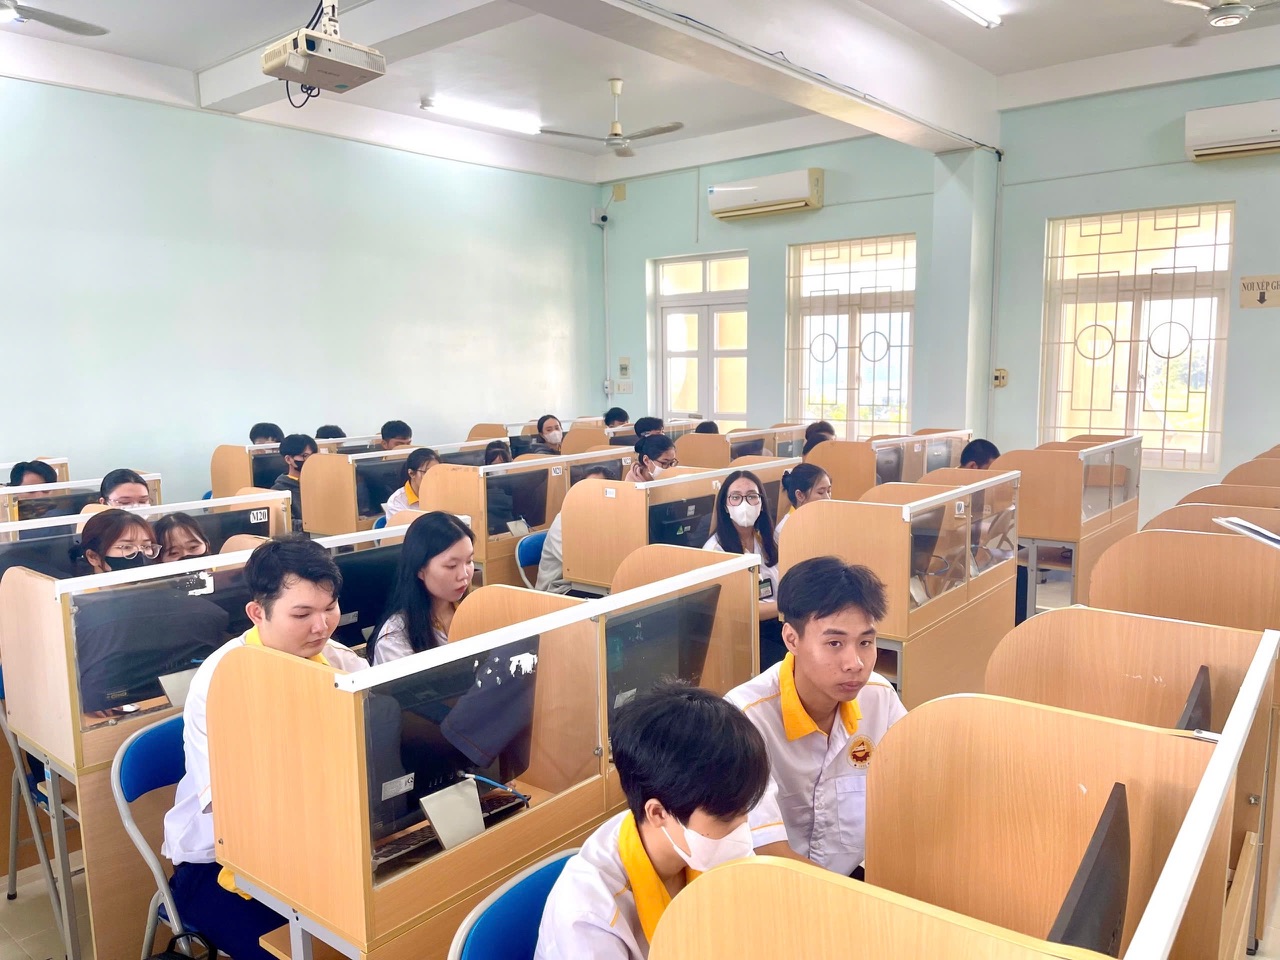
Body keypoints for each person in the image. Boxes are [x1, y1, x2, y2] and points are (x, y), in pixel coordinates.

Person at [162, 536, 367, 960]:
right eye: (302, 614)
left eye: (330, 608)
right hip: (225, 859)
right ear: (258, 613)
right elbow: (235, 806)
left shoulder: (337, 657)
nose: (321, 626)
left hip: (320, 841)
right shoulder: (223, 681)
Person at [534, 681, 769, 960]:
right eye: (724, 817)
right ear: (657, 813)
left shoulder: (692, 841)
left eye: (744, 809)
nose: (741, 828)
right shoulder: (588, 915)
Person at [726, 557, 905, 880]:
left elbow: (914, 792)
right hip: (776, 886)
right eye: (834, 643)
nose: (855, 663)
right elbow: (769, 851)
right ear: (791, 639)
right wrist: (864, 900)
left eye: (865, 642)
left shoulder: (879, 697)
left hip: (855, 877)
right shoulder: (746, 718)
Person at [369, 512, 475, 664]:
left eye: (469, 561)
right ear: (420, 568)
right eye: (451, 566)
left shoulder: (475, 611)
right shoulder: (394, 639)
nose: (464, 574)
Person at [535, 465, 610, 594]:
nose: (590, 495)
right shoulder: (564, 520)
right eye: (586, 489)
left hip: (588, 583)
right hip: (559, 589)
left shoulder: (607, 518)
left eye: (597, 490)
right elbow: (578, 564)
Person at [74, 509, 162, 574]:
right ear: (93, 557)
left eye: (146, 546)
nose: (140, 553)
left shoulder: (163, 589)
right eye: (126, 547)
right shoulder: (76, 593)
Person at [271, 434, 316, 532]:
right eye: (304, 456)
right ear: (288, 459)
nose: (310, 460)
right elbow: (287, 525)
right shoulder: (279, 491)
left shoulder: (320, 483)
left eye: (312, 456)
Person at [382, 447, 440, 520]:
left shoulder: (444, 493)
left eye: (437, 472)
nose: (433, 477)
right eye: (427, 472)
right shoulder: (397, 502)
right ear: (411, 473)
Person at [776, 464, 833, 536]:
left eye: (828, 491)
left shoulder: (829, 520)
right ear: (800, 495)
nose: (828, 498)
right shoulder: (784, 530)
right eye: (820, 492)